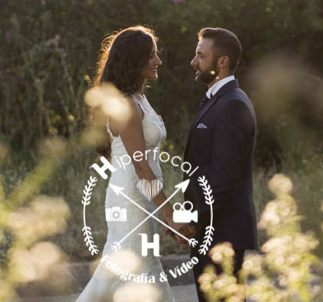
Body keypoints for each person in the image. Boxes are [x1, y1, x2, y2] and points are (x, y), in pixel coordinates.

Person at [77, 26, 178, 302]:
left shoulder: (137, 99)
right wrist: (171, 215)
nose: (158, 61)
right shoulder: (128, 105)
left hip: (140, 199)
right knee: (140, 268)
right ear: (134, 60)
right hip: (132, 199)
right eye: (151, 56)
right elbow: (141, 167)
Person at [181, 27, 258, 302]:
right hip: (211, 232)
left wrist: (188, 219)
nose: (194, 61)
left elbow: (220, 178)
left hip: (222, 235)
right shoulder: (218, 101)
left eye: (201, 56)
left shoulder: (233, 105)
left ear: (222, 61)